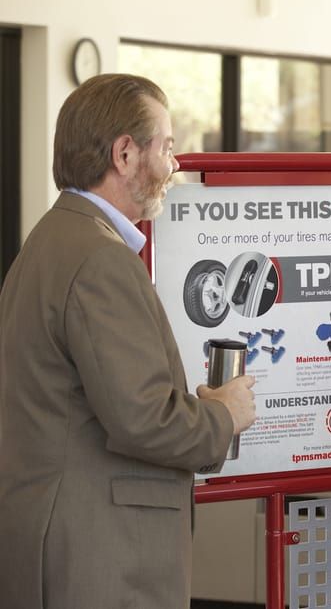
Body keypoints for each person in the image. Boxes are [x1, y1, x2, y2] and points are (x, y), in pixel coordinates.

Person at [0, 73, 257, 609]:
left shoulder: (51, 240)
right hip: (103, 558)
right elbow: (142, 418)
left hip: (60, 540)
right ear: (124, 154)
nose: (174, 165)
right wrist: (223, 415)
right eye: (166, 147)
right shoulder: (101, 258)